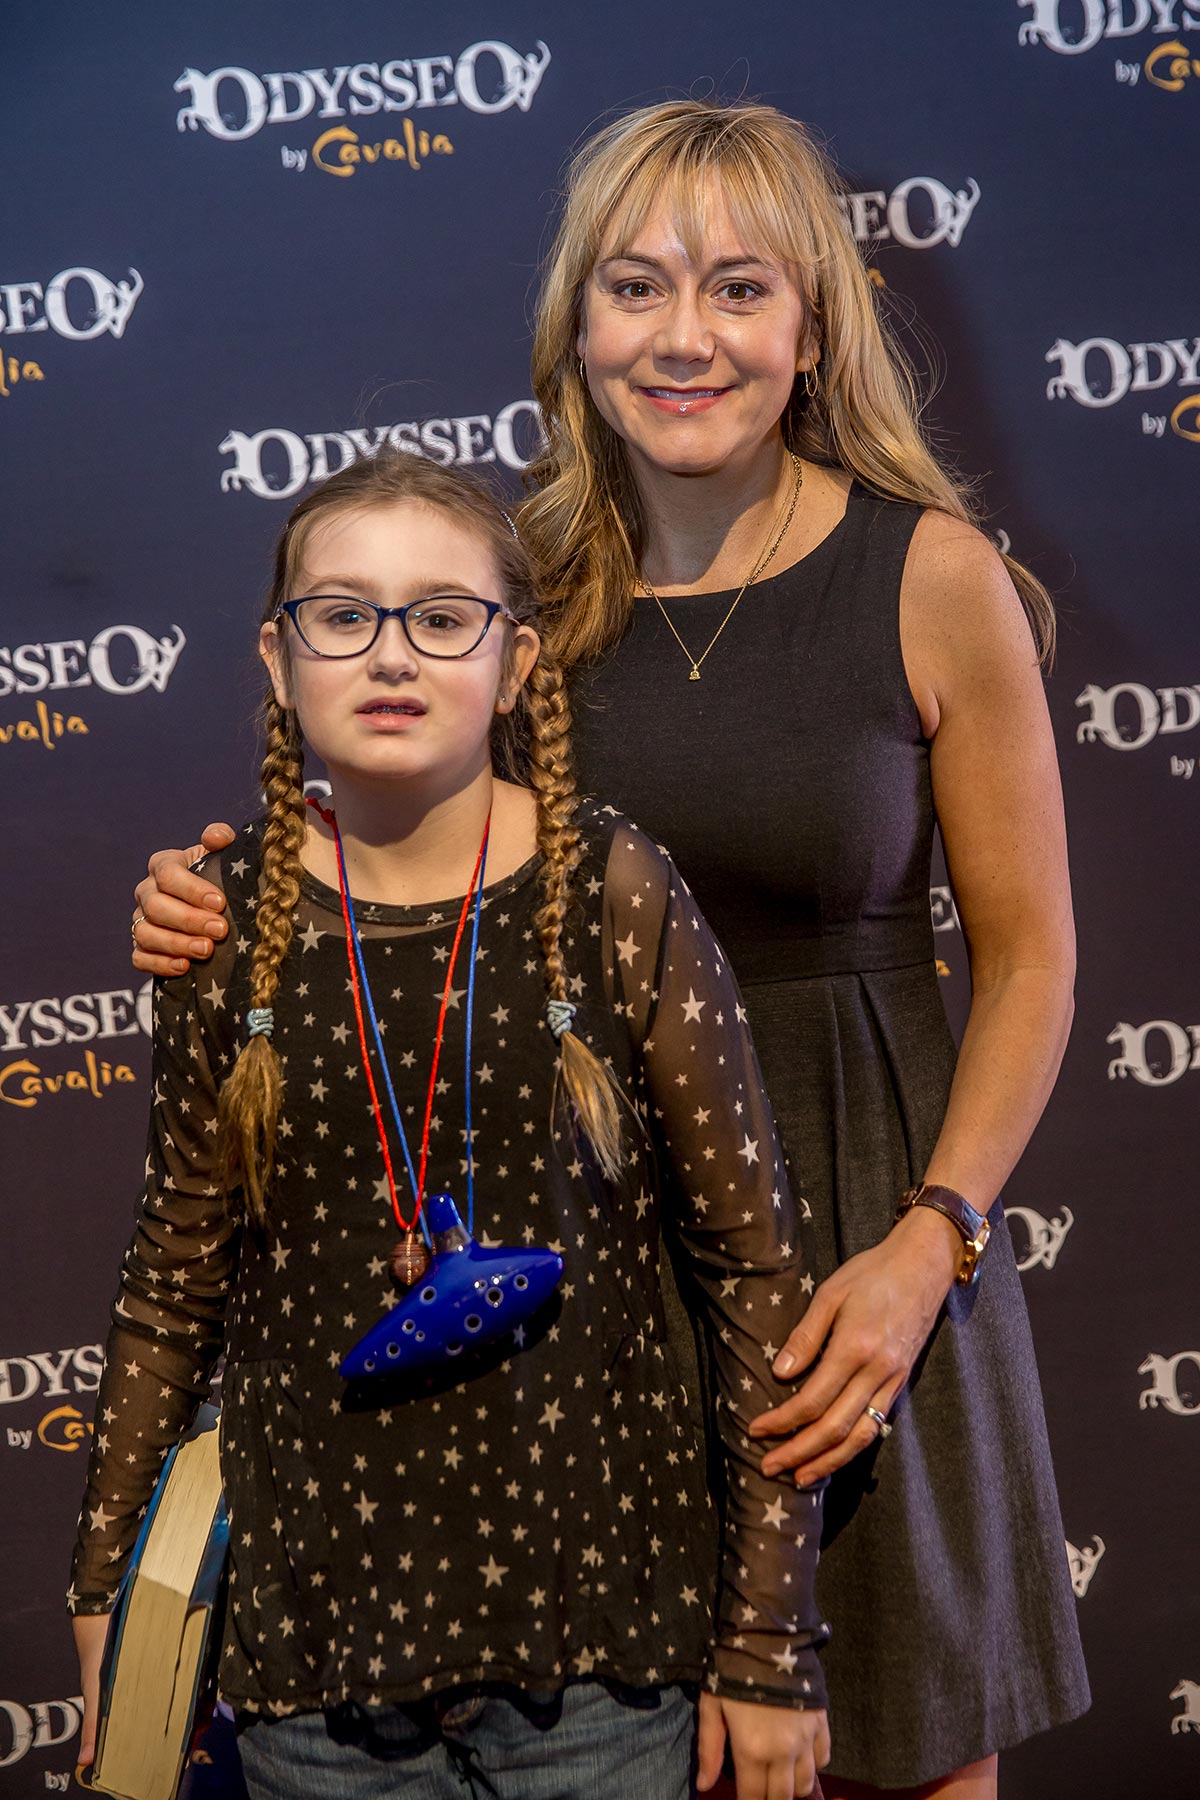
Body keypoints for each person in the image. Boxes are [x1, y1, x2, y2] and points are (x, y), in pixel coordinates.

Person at [127, 101, 1089, 1798]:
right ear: (579, 326)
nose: (687, 335)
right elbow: (380, 835)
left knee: (913, 1751)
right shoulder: (532, 589)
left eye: (738, 288)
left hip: (877, 1227)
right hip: (600, 1272)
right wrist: (216, 886)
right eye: (637, 287)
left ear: (812, 325)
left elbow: (1028, 965)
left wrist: (934, 1243)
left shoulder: (935, 579)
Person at [70, 452, 832, 1800]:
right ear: (277, 654)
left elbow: (754, 1275)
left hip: (597, 1652)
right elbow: (168, 1293)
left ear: (519, 657)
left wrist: (767, 1635)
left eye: (442, 616)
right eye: (343, 614)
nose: (392, 655)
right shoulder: (217, 930)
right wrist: (105, 1592)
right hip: (317, 1664)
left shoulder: (615, 892)